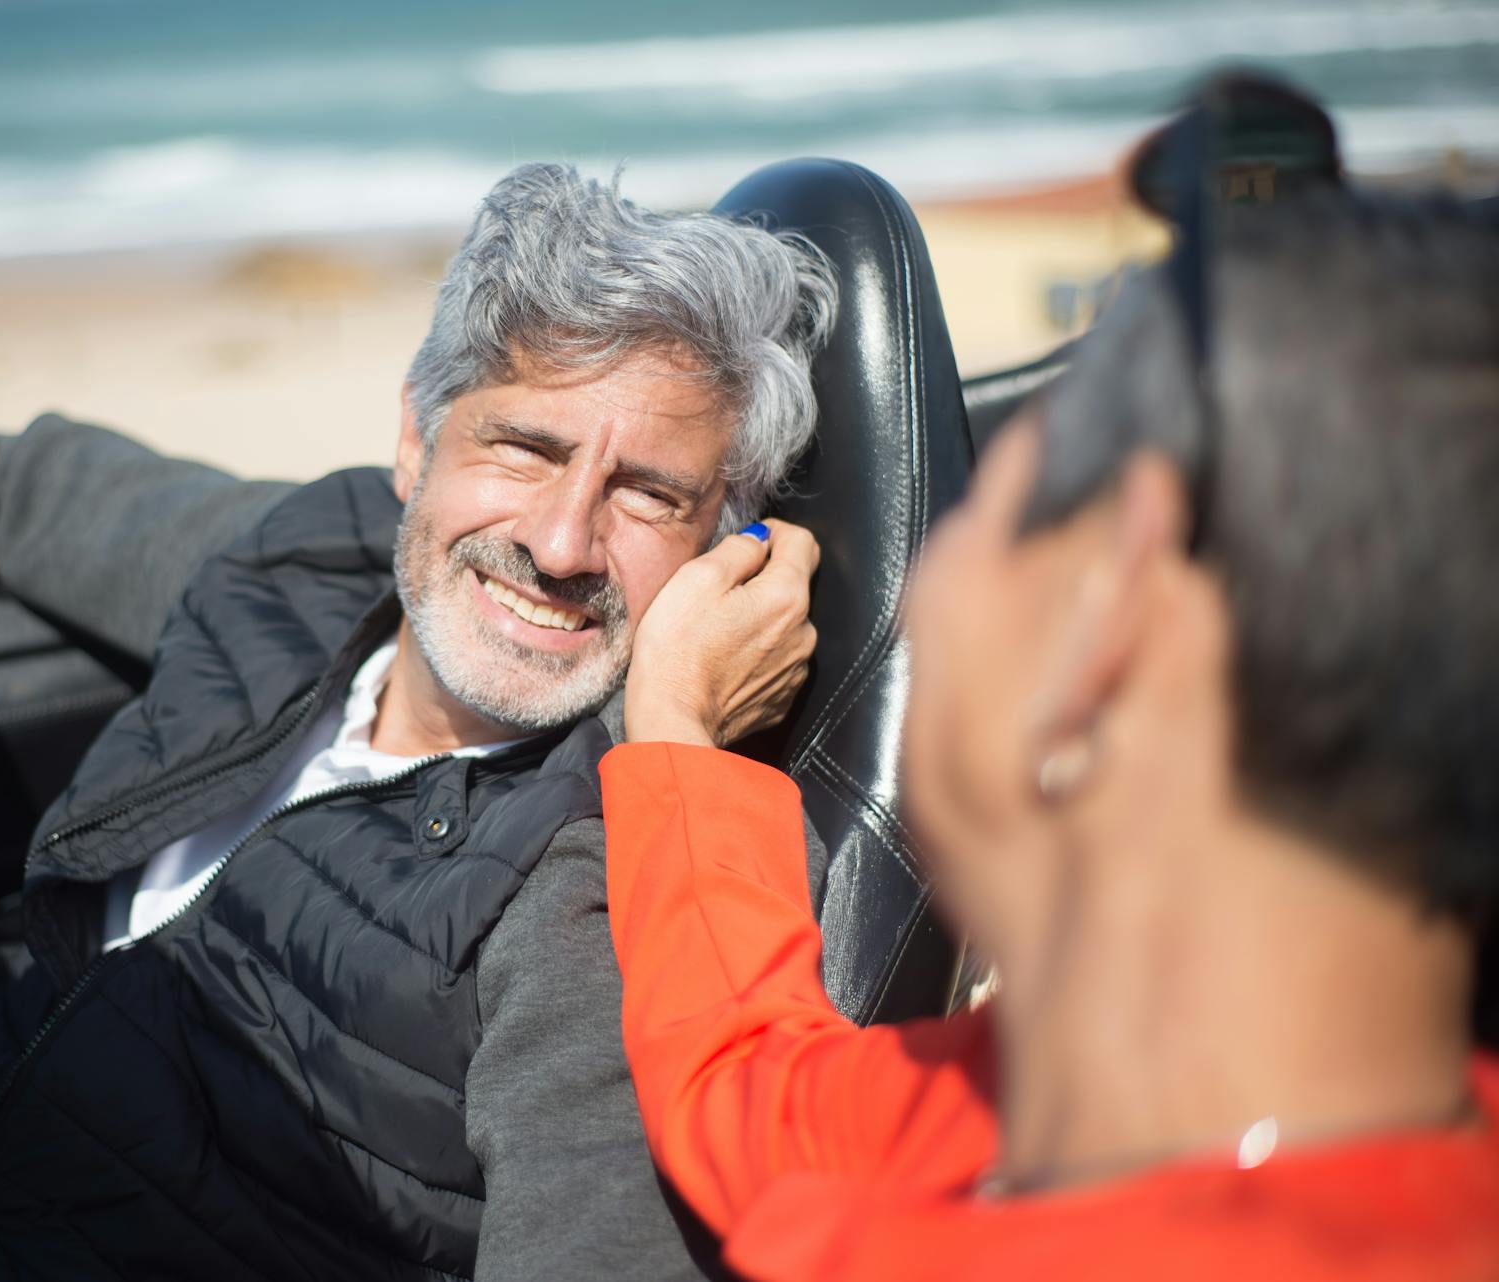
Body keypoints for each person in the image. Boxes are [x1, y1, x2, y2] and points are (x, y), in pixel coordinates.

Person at [0, 163, 837, 1281]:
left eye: (649, 495)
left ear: (730, 547)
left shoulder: (608, 879)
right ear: (416, 437)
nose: (562, 543)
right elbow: (11, 482)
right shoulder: (309, 555)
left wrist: (674, 738)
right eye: (523, 446)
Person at [600, 185, 1499, 1279]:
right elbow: (755, 1103)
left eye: (978, 519)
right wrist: (677, 731)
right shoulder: (1039, 1099)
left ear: (1112, 608)